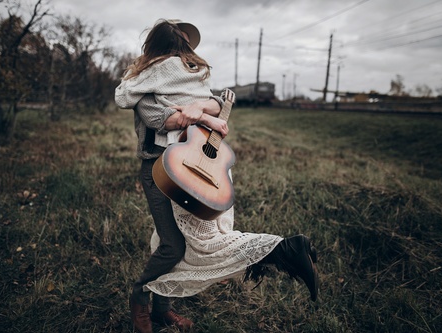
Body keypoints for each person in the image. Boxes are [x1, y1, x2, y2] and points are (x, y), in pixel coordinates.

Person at [115, 19, 318, 333]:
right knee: (172, 245)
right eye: (180, 48)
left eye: (186, 51)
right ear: (164, 51)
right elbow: (162, 118)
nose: (185, 58)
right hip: (159, 169)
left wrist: (205, 105)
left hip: (197, 166)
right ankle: (140, 299)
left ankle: (161, 308)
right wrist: (199, 110)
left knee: (195, 239)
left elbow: (218, 104)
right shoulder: (145, 86)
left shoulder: (189, 82)